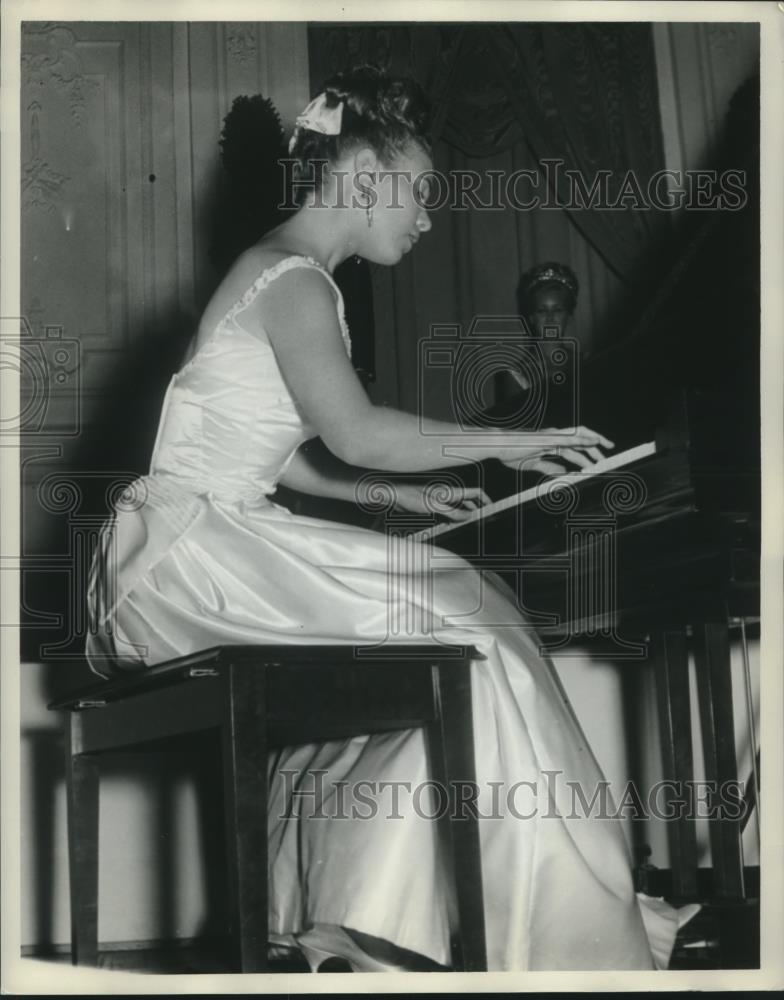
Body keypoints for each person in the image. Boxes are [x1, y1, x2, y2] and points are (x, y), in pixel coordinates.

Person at [86, 66, 693, 972]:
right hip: (193, 553)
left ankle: (386, 913)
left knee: (457, 621)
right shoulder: (292, 279)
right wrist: (512, 446)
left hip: (182, 543)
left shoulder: (277, 272)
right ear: (363, 180)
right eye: (418, 192)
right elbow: (360, 433)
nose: (427, 216)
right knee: (466, 614)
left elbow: (272, 445)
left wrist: (394, 497)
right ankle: (547, 924)